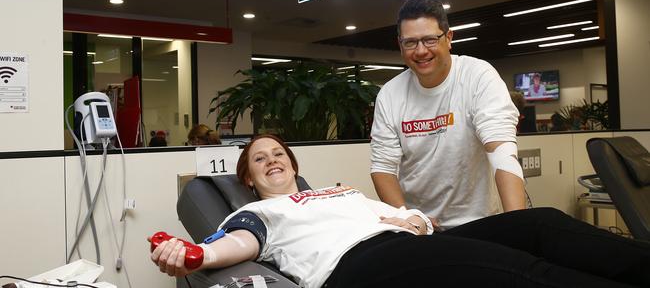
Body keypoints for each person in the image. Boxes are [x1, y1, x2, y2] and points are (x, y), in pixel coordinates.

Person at [150, 135, 649, 288]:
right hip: (355, 267)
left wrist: (414, 219)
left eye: (279, 154)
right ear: (250, 179)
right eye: (260, 159)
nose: (272, 161)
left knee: (540, 223)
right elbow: (228, 249)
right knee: (523, 272)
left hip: (406, 243)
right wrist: (189, 255)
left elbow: (402, 214)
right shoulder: (260, 213)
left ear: (295, 166)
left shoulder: (337, 193)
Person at [370, 0, 524, 230]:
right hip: (421, 226)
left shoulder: (478, 76)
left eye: (430, 39)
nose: (421, 51)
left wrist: (519, 225)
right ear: (400, 44)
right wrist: (408, 218)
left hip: (479, 221)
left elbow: (502, 151)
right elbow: (383, 168)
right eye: (410, 42)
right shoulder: (390, 94)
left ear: (448, 38)